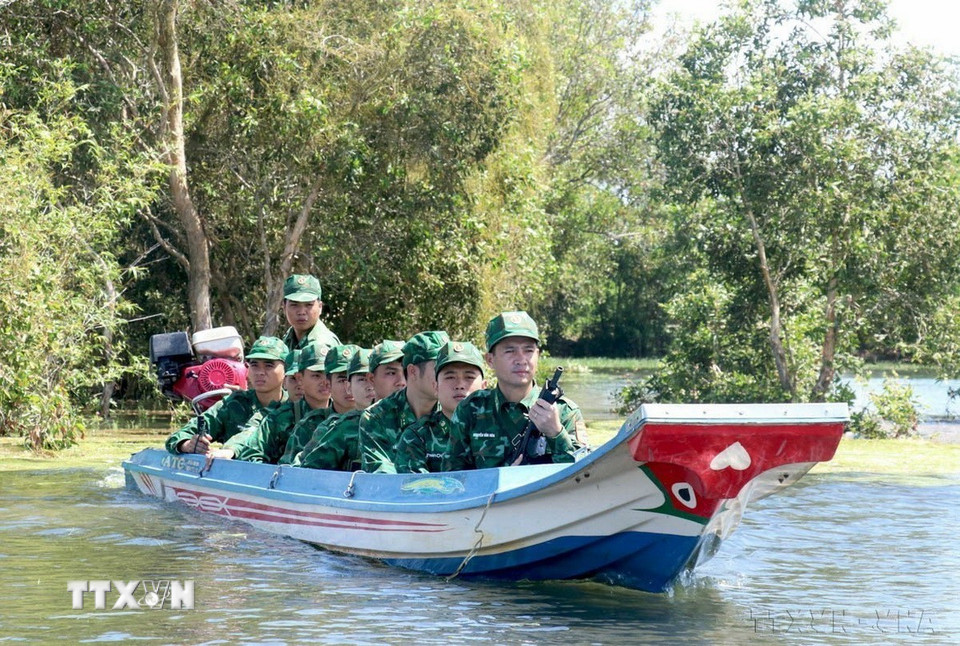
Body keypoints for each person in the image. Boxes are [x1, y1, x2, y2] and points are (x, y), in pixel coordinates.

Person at [447, 312, 586, 469]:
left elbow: (584, 474)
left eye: (528, 350)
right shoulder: (470, 409)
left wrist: (556, 433)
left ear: (537, 356)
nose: (521, 359)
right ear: (490, 360)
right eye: (510, 351)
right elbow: (456, 478)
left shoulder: (563, 411)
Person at [164, 335, 288, 454]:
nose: (260, 372)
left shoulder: (295, 406)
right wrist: (187, 445)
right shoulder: (233, 404)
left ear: (286, 370)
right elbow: (179, 436)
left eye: (269, 365)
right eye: (254, 365)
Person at [219, 342, 331, 464]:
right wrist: (231, 449)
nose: (324, 382)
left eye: (330, 376)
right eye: (316, 375)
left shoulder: (343, 415)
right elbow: (251, 436)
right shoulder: (277, 417)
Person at [358, 331, 449, 473]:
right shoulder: (377, 417)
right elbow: (383, 478)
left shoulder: (455, 412)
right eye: (439, 368)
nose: (446, 377)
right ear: (412, 371)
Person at [395, 341, 486, 473]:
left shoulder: (502, 429)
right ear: (436, 387)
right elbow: (414, 489)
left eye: (469, 377)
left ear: (484, 387)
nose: (459, 385)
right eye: (450, 377)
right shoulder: (417, 436)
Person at [299, 346, 376, 471]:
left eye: (371, 379)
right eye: (342, 380)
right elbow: (303, 472)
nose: (368, 386)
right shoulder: (328, 427)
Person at [279, 343, 357, 464]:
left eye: (358, 379)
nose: (349, 387)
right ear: (329, 383)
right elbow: (290, 473)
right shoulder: (310, 425)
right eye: (342, 380)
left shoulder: (379, 421)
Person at [281, 274, 340, 350]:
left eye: (309, 305)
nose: (301, 312)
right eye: (294, 305)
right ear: (284, 307)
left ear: (320, 307)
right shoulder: (289, 338)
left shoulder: (323, 345)